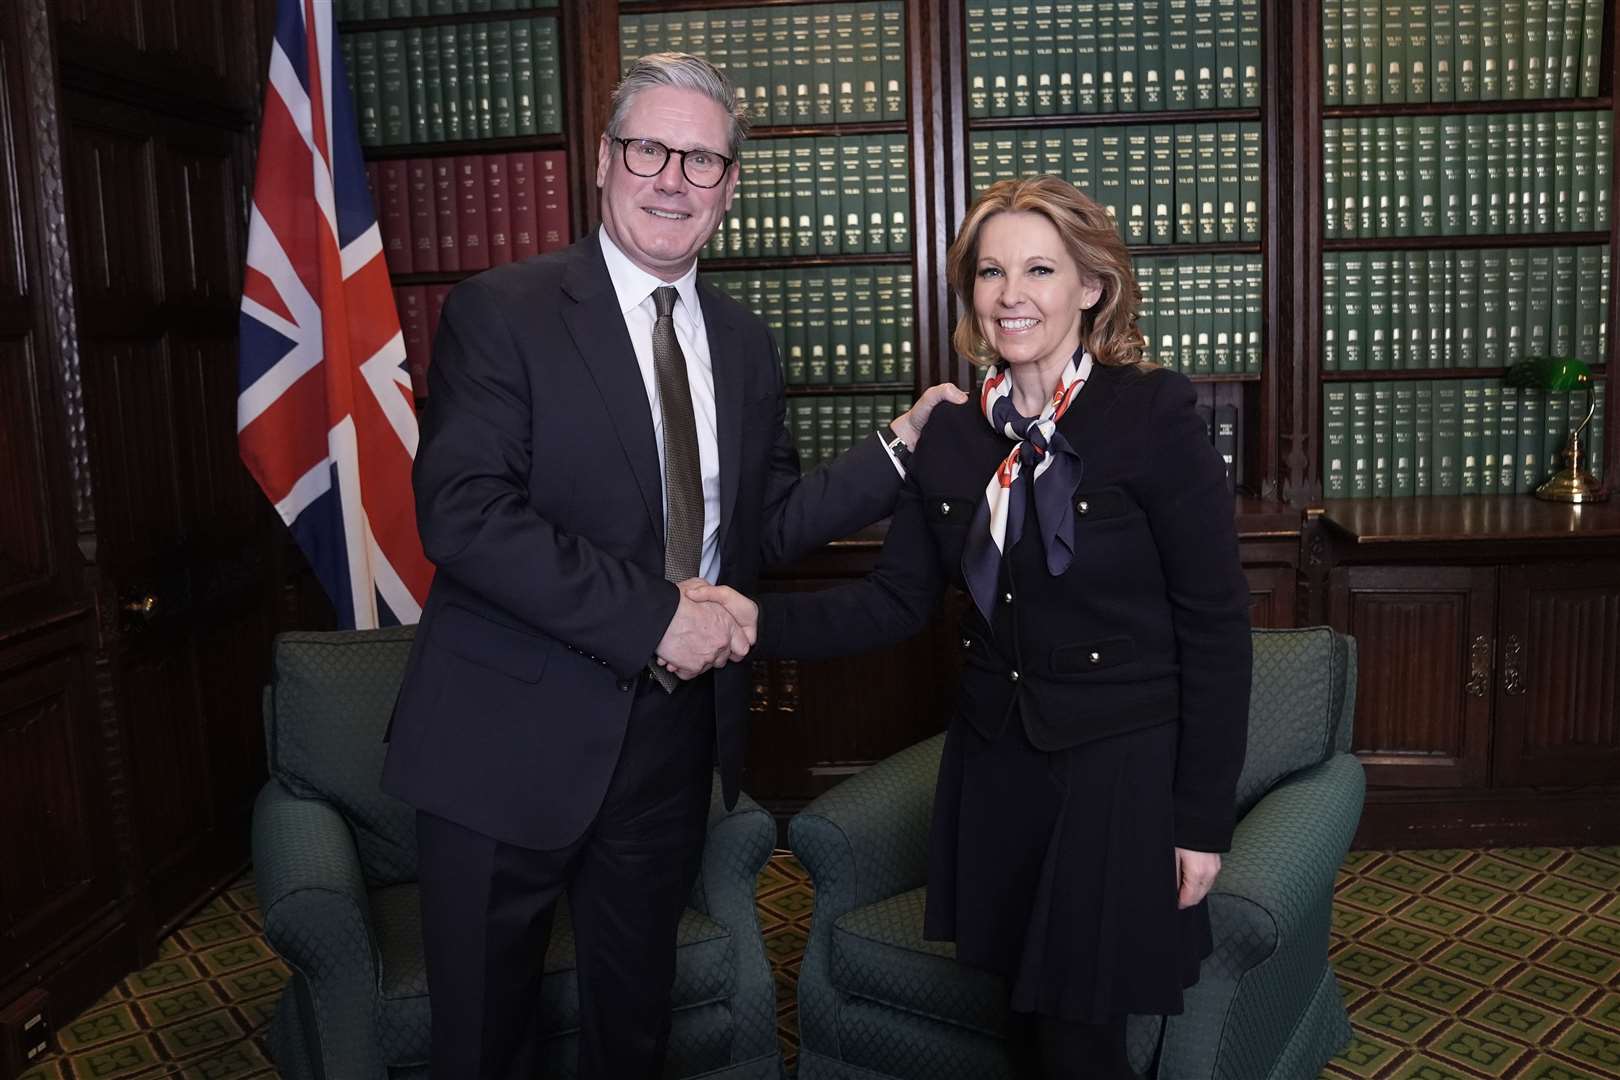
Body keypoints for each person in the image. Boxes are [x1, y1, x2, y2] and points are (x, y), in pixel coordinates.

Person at [381, 52, 963, 1079]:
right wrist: (656, 612)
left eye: (702, 160)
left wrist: (899, 447)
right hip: (499, 743)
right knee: (479, 1042)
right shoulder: (502, 311)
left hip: (665, 742)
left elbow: (762, 528)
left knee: (633, 1027)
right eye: (650, 148)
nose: (673, 179)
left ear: (730, 187)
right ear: (605, 163)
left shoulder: (743, 344)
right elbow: (463, 515)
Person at [693, 176, 1252, 1079]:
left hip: (1118, 768)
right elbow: (893, 601)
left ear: (1092, 287)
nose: (1011, 296)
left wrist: (1201, 820)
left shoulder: (1154, 413)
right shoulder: (952, 434)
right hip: (997, 767)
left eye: (1039, 269)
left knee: (1081, 1036)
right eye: (991, 273)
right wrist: (754, 622)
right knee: (1021, 1022)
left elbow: (1218, 629)